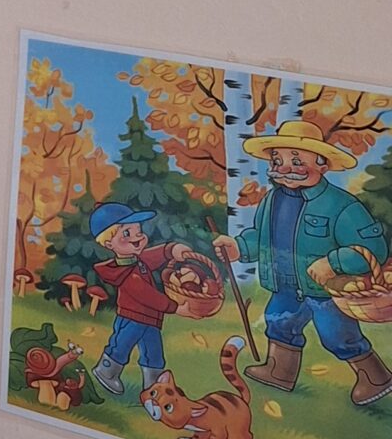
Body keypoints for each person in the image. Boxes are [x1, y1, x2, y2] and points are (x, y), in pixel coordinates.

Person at [215, 119, 391, 404]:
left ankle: (375, 377)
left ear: (322, 164)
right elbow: (262, 236)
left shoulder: (341, 205)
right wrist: (239, 247)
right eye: (278, 160)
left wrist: (333, 262)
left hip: (326, 290)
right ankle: (279, 371)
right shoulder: (272, 199)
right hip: (284, 283)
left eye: (296, 161)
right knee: (279, 323)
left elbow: (374, 249)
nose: (285, 167)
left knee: (337, 335)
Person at [88, 205, 177, 399]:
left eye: (138, 230)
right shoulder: (125, 273)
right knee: (122, 345)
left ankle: (153, 386)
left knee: (153, 351)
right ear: (108, 243)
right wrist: (174, 307)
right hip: (132, 317)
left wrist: (171, 250)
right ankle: (106, 371)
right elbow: (146, 294)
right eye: (127, 233)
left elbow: (152, 256)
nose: (137, 237)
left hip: (151, 319)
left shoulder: (137, 260)